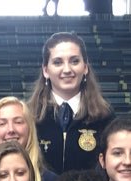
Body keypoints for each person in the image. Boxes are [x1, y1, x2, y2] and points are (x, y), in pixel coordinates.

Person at [27, 32, 115, 173]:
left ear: (85, 67)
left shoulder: (105, 117)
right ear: (46, 70)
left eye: (74, 61)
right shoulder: (28, 116)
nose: (67, 70)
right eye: (58, 62)